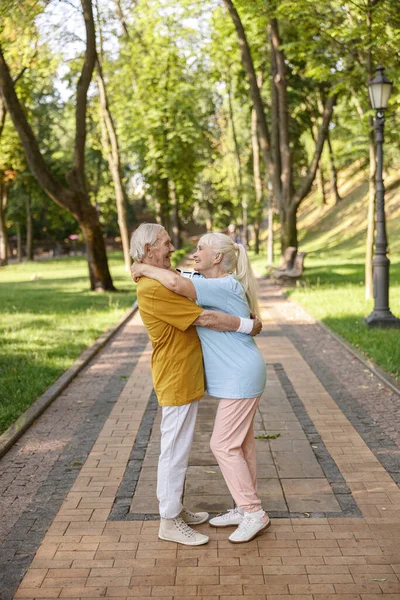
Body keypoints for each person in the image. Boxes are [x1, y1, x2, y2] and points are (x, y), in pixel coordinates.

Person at [131, 232, 270, 544]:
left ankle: (251, 510)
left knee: (224, 444)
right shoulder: (177, 282)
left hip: (240, 375)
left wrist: (143, 267)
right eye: (166, 244)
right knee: (232, 444)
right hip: (220, 375)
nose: (185, 252)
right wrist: (143, 267)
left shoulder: (218, 283)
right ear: (150, 248)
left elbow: (186, 290)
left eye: (200, 249)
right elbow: (184, 286)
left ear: (217, 258)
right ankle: (240, 508)